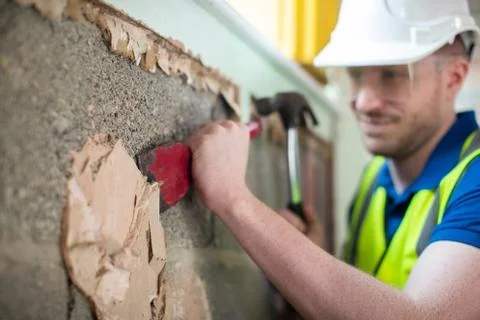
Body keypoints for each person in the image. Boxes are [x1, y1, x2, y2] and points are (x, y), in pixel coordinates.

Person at [186, 0, 480, 318]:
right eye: (355, 75)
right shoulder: (374, 178)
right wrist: (307, 260)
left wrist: (234, 199)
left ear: (454, 77)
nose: (365, 102)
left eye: (394, 75)